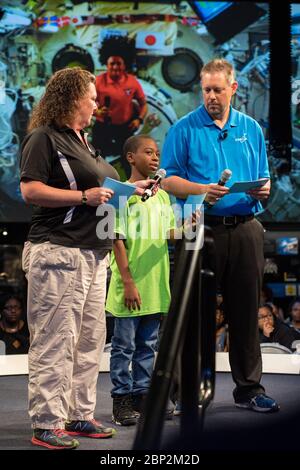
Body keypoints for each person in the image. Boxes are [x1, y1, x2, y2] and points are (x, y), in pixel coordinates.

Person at [19, 67, 155, 450]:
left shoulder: (84, 142)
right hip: (58, 251)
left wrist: (132, 188)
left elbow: (102, 189)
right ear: (71, 98)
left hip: (93, 256)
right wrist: (84, 198)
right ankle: (46, 422)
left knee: (89, 341)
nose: (97, 103)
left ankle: (79, 414)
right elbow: (30, 190)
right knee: (55, 340)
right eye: (92, 97)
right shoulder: (45, 138)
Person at [161, 58, 279, 413]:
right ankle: (185, 393)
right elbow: (168, 179)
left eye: (217, 89)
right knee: (193, 313)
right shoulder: (184, 128)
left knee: (245, 313)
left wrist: (264, 189)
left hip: (245, 229)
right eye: (206, 89)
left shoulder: (251, 128)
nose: (211, 96)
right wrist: (202, 190)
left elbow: (263, 176)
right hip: (200, 229)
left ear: (233, 89)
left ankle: (249, 390)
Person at [105, 135, 176, 426]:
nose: (155, 157)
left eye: (157, 153)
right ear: (131, 157)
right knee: (124, 346)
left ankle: (142, 394)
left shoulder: (162, 195)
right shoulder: (121, 194)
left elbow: (171, 233)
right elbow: (115, 238)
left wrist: (189, 223)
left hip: (156, 284)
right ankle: (121, 398)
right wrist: (128, 281)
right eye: (149, 152)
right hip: (130, 285)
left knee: (148, 345)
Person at [92, 36, 148, 179]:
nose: (115, 67)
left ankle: (131, 188)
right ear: (106, 64)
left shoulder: (132, 82)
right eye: (112, 63)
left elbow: (144, 105)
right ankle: (97, 185)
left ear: (125, 65)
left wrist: (139, 120)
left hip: (124, 128)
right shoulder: (98, 81)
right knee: (96, 159)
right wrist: (97, 111)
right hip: (102, 127)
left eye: (119, 63)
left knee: (128, 160)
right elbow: (88, 104)